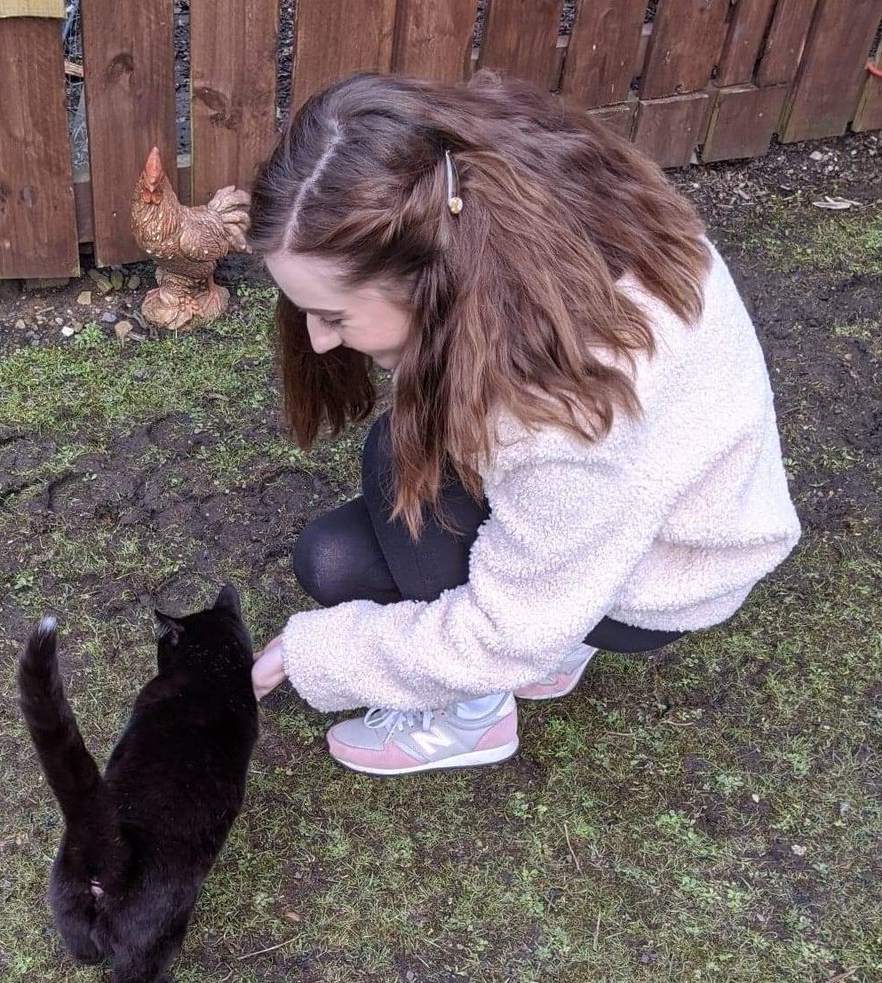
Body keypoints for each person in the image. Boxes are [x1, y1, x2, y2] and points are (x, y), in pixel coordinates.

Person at [247, 71, 801, 776]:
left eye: (334, 315)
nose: (319, 341)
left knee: (363, 516)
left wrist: (312, 654)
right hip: (648, 499)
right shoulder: (516, 196)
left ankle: (474, 719)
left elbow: (503, 634)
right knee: (359, 521)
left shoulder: (555, 418)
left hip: (667, 571)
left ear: (427, 274)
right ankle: (559, 622)